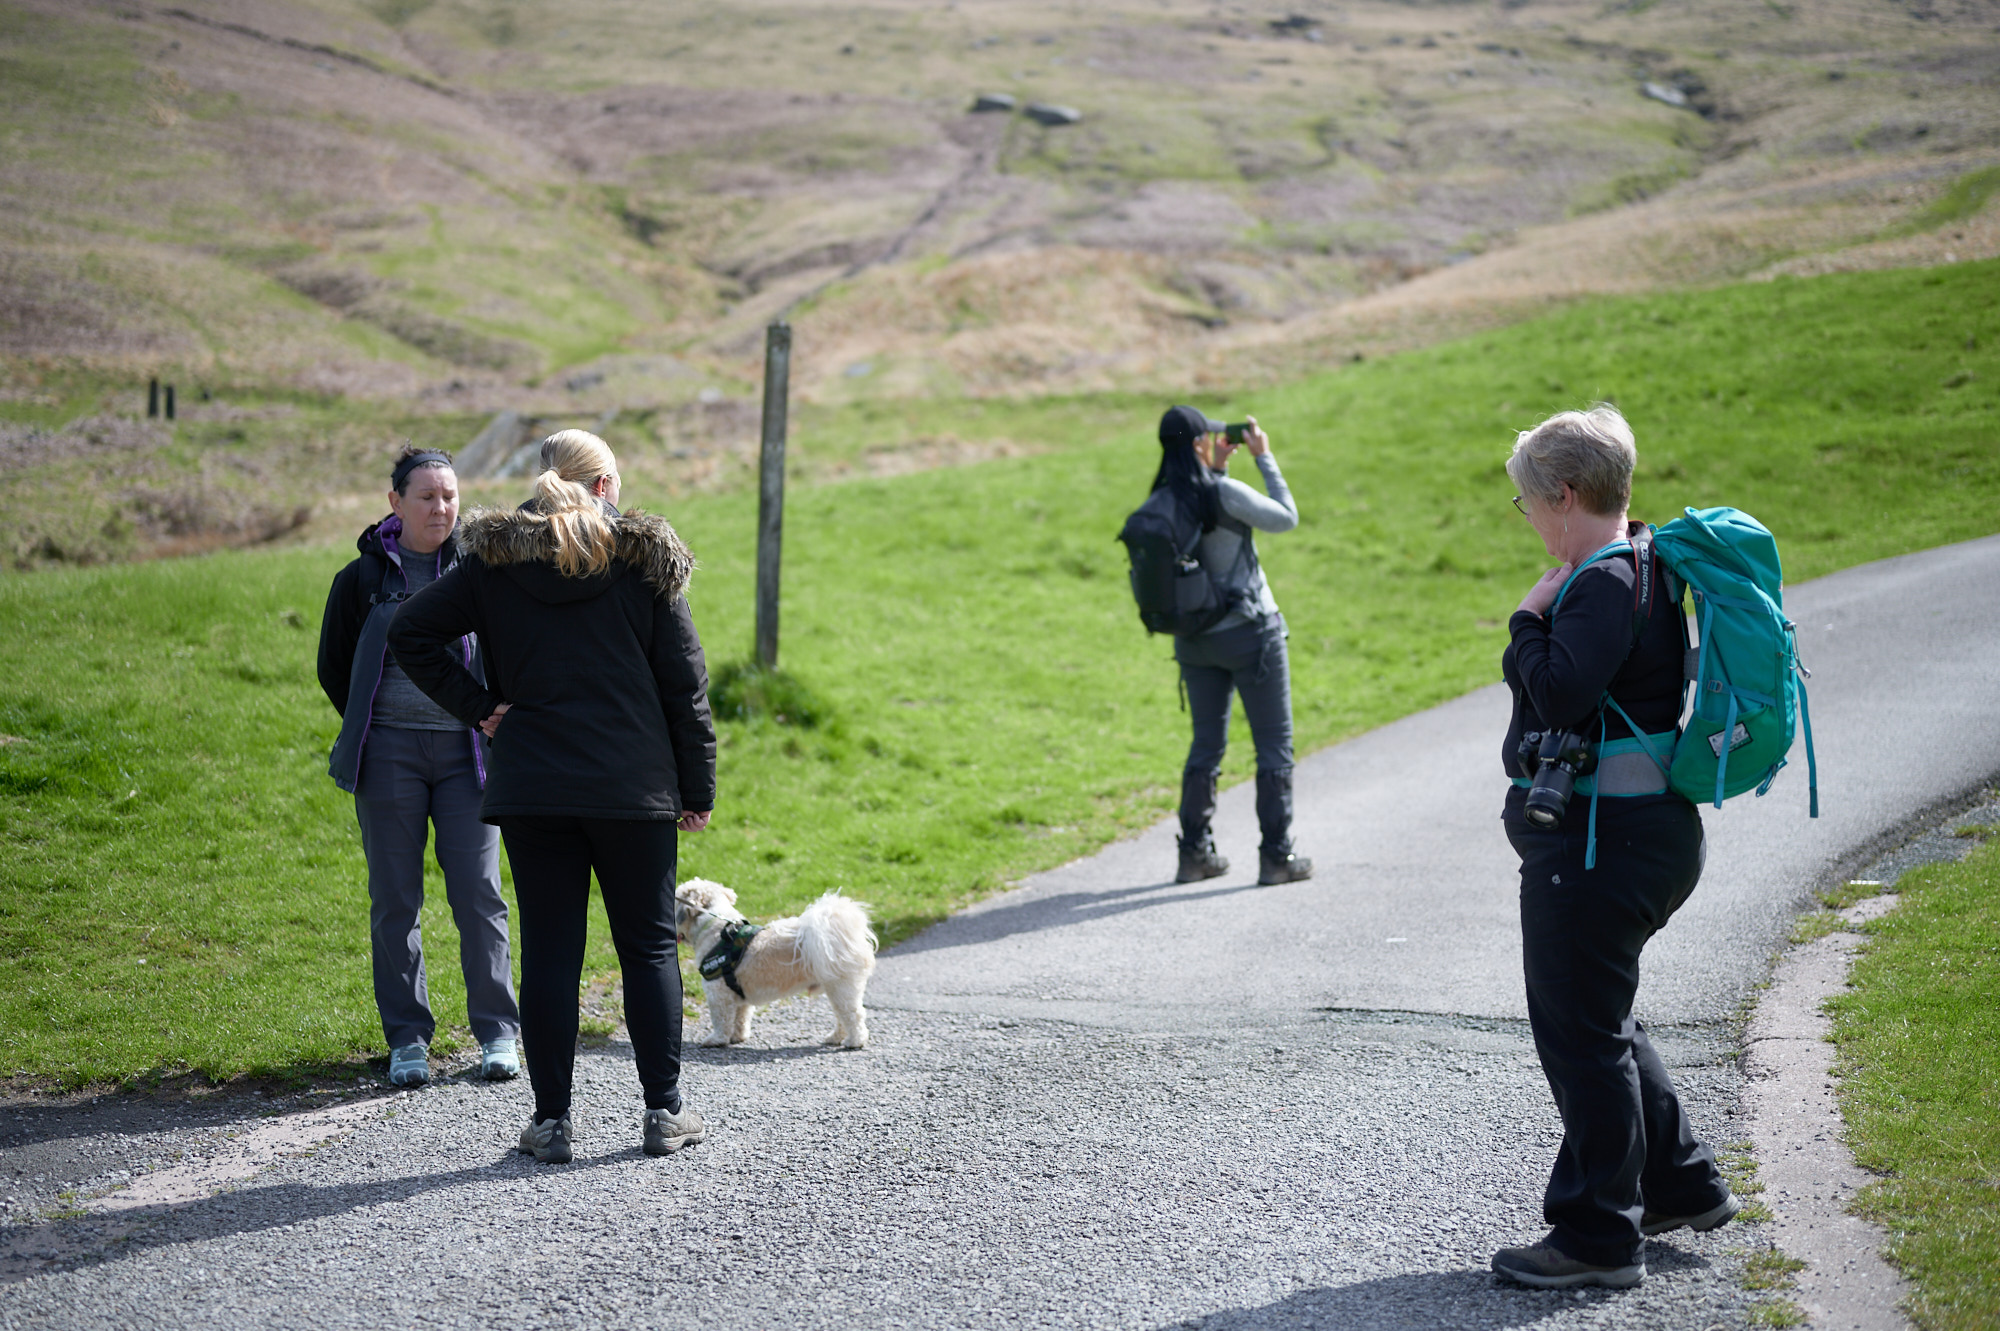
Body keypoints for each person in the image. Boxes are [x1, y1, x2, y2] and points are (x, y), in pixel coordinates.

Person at [386, 429, 716, 1164]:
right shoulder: (643, 558)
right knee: (648, 947)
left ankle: (551, 1122)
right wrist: (697, 788)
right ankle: (663, 1113)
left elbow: (412, 632)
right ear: (602, 485)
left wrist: (478, 706)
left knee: (553, 955)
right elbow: (684, 685)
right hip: (634, 788)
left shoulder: (492, 562)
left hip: (535, 787)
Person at [1490, 405, 1741, 1290]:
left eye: (1527, 503)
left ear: (1564, 494)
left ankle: (1598, 1235)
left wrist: (1525, 620)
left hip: (1599, 846)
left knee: (1581, 1034)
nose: (1529, 519)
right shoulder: (1645, 561)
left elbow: (1557, 695)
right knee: (1606, 1018)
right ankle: (1682, 1182)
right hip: (1647, 834)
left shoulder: (1596, 581)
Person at [317, 446, 523, 1088]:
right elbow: (336, 668)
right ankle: (407, 1040)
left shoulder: (483, 570)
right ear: (395, 503)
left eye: (451, 496)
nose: (442, 507)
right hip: (389, 756)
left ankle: (497, 1033)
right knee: (394, 900)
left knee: (480, 897)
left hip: (469, 756)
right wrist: (375, 726)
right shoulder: (361, 579)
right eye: (427, 496)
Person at [1153, 405, 1314, 887]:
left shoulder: (1162, 497)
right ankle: (1276, 858)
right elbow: (1285, 517)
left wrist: (1217, 467)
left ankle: (1194, 854)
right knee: (1273, 747)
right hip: (1249, 634)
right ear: (1201, 442)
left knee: (1206, 745)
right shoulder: (1221, 492)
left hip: (1193, 640)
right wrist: (1264, 457)